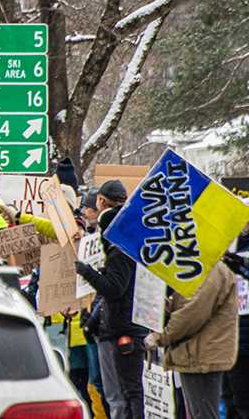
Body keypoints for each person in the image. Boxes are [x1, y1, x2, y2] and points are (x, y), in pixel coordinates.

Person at [75, 179, 146, 419]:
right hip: (118, 325)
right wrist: (94, 322)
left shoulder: (120, 248)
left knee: (127, 394)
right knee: (121, 393)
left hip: (125, 329)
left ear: (102, 202)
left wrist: (87, 272)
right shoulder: (122, 244)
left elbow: (114, 289)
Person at [144, 261, 238, 419]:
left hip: (201, 354)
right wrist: (171, 305)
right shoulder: (205, 267)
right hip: (197, 352)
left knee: (202, 413)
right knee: (199, 412)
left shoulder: (210, 270)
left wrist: (162, 337)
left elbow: (192, 314)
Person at [222, 251, 249, 419]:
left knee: (242, 401)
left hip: (242, 340)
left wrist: (242, 266)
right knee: (229, 398)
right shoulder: (229, 242)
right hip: (227, 336)